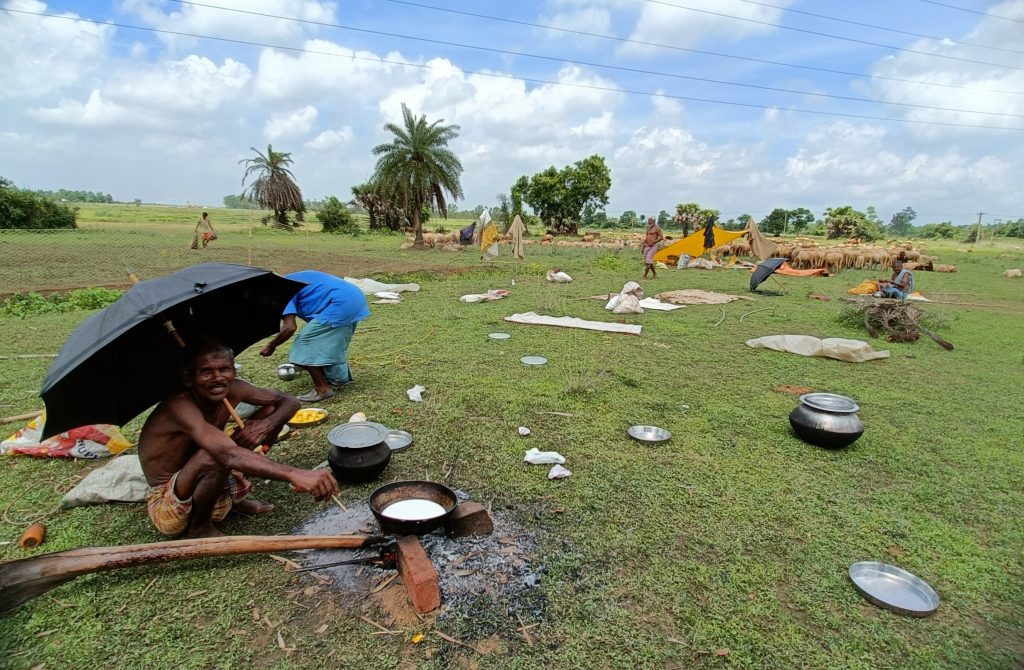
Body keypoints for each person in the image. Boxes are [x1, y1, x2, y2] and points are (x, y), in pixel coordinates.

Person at [138, 339, 338, 538]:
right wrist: (296, 474)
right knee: (213, 453)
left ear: (234, 371)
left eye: (224, 369)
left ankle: (233, 501)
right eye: (206, 371)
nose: (217, 378)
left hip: (212, 477)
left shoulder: (234, 389)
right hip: (172, 503)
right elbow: (225, 454)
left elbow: (290, 401)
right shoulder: (179, 406)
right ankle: (199, 528)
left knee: (270, 410)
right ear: (189, 378)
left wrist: (265, 426)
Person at [261, 270, 370, 403]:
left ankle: (322, 389)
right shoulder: (291, 279)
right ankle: (340, 379)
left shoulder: (280, 291)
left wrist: (271, 345)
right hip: (354, 297)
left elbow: (289, 327)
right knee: (332, 343)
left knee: (304, 346)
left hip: (339, 304)